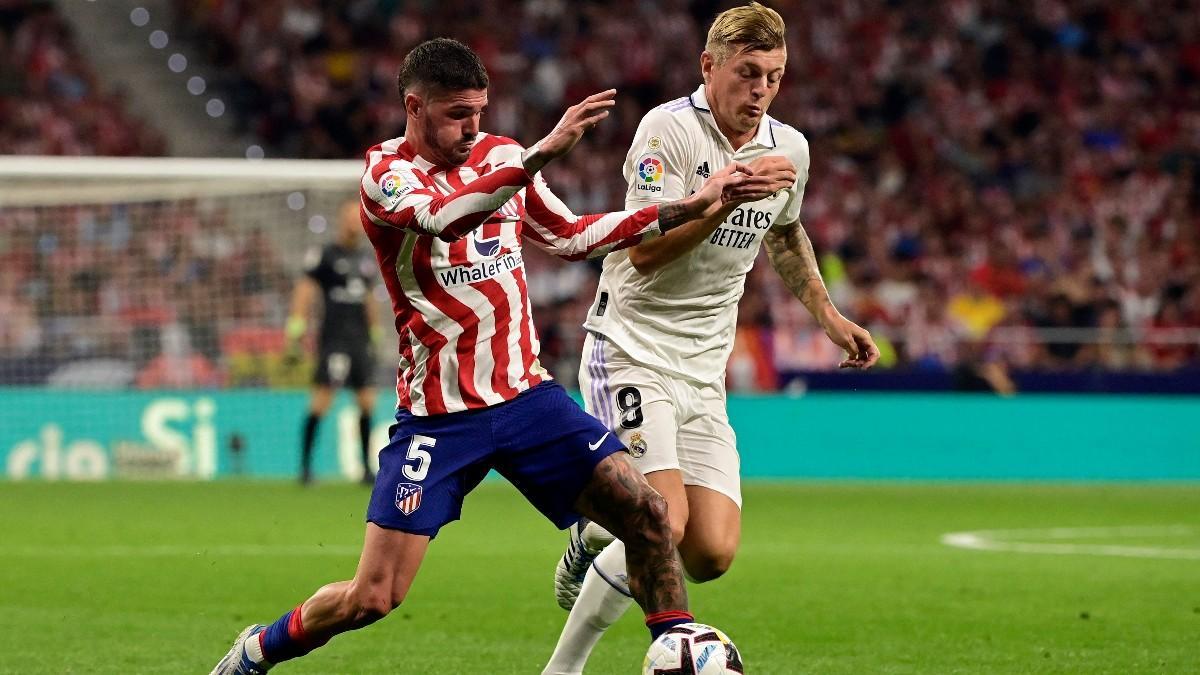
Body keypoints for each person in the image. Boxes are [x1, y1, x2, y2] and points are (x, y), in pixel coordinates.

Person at [211, 37, 789, 674]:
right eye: (458, 114)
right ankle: (256, 650)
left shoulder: (503, 155)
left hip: (527, 399)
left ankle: (678, 645)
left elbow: (571, 236)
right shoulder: (386, 173)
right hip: (440, 418)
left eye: (480, 112)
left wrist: (693, 205)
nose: (472, 128)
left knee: (649, 515)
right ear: (414, 106)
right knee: (372, 597)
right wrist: (539, 156)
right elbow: (444, 220)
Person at [543, 4, 880, 673]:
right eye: (748, 72)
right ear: (710, 66)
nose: (760, 90)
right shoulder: (667, 131)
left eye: (774, 77)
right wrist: (721, 197)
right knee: (661, 523)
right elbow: (642, 253)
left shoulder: (789, 149)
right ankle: (563, 667)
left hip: (703, 369)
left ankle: (594, 531)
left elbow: (785, 233)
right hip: (632, 345)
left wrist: (829, 316)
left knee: (711, 553)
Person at [286, 200, 382, 485]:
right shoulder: (326, 255)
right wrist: (297, 325)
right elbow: (305, 288)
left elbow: (368, 298)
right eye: (351, 216)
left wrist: (375, 331)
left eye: (358, 217)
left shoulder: (366, 258)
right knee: (322, 401)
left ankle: (365, 469)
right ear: (342, 220)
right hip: (334, 339)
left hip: (359, 339)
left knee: (366, 402)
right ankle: (305, 468)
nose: (356, 222)